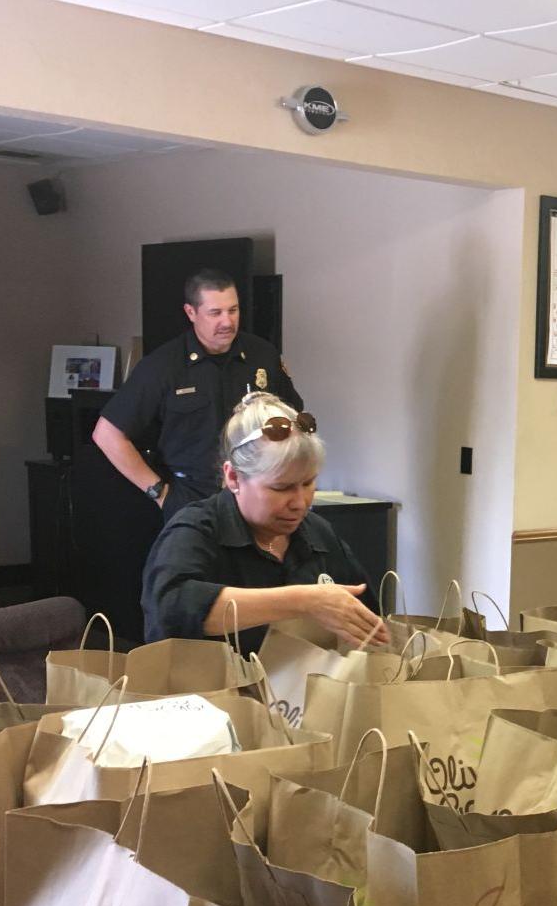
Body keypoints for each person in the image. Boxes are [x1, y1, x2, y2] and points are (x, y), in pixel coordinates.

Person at [141, 393, 388, 654]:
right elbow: (171, 610)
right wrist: (305, 601)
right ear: (233, 477)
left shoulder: (318, 534)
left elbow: (368, 623)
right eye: (281, 488)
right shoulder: (195, 531)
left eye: (308, 483)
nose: (300, 502)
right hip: (215, 691)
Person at [94, 269, 302, 519]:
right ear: (191, 313)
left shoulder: (262, 355)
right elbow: (107, 434)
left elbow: (293, 418)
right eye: (215, 313)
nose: (227, 322)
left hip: (257, 494)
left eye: (233, 310)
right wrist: (159, 492)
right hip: (192, 498)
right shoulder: (163, 366)